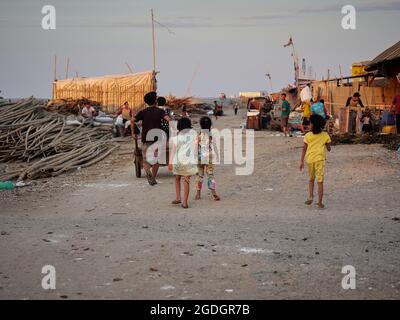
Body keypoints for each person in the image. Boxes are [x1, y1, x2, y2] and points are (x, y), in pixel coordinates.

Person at [133, 91, 171, 186]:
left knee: (145, 161)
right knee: (156, 161)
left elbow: (132, 120)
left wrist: (133, 133)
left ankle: (148, 173)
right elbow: (168, 119)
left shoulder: (143, 112)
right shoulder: (160, 111)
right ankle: (153, 178)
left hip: (146, 139)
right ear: (155, 101)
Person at [299, 114, 331, 209]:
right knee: (320, 181)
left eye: (310, 124)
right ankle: (320, 202)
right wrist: (327, 144)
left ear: (313, 125)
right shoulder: (325, 135)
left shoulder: (308, 135)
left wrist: (301, 161)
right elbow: (329, 149)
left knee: (311, 179)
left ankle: (311, 196)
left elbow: (304, 149)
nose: (309, 125)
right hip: (320, 160)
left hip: (310, 160)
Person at [170, 117, 197, 209]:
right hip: (189, 161)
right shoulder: (193, 136)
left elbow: (173, 151)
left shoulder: (176, 138)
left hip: (178, 162)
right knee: (186, 181)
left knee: (177, 179)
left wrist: (170, 163)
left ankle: (178, 197)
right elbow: (196, 149)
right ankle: (185, 202)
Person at [195, 116, 220, 201]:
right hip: (209, 157)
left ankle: (198, 194)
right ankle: (214, 193)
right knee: (210, 175)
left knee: (200, 175)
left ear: (201, 125)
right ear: (210, 125)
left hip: (200, 157)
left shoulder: (199, 134)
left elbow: (196, 146)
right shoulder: (210, 135)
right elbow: (213, 146)